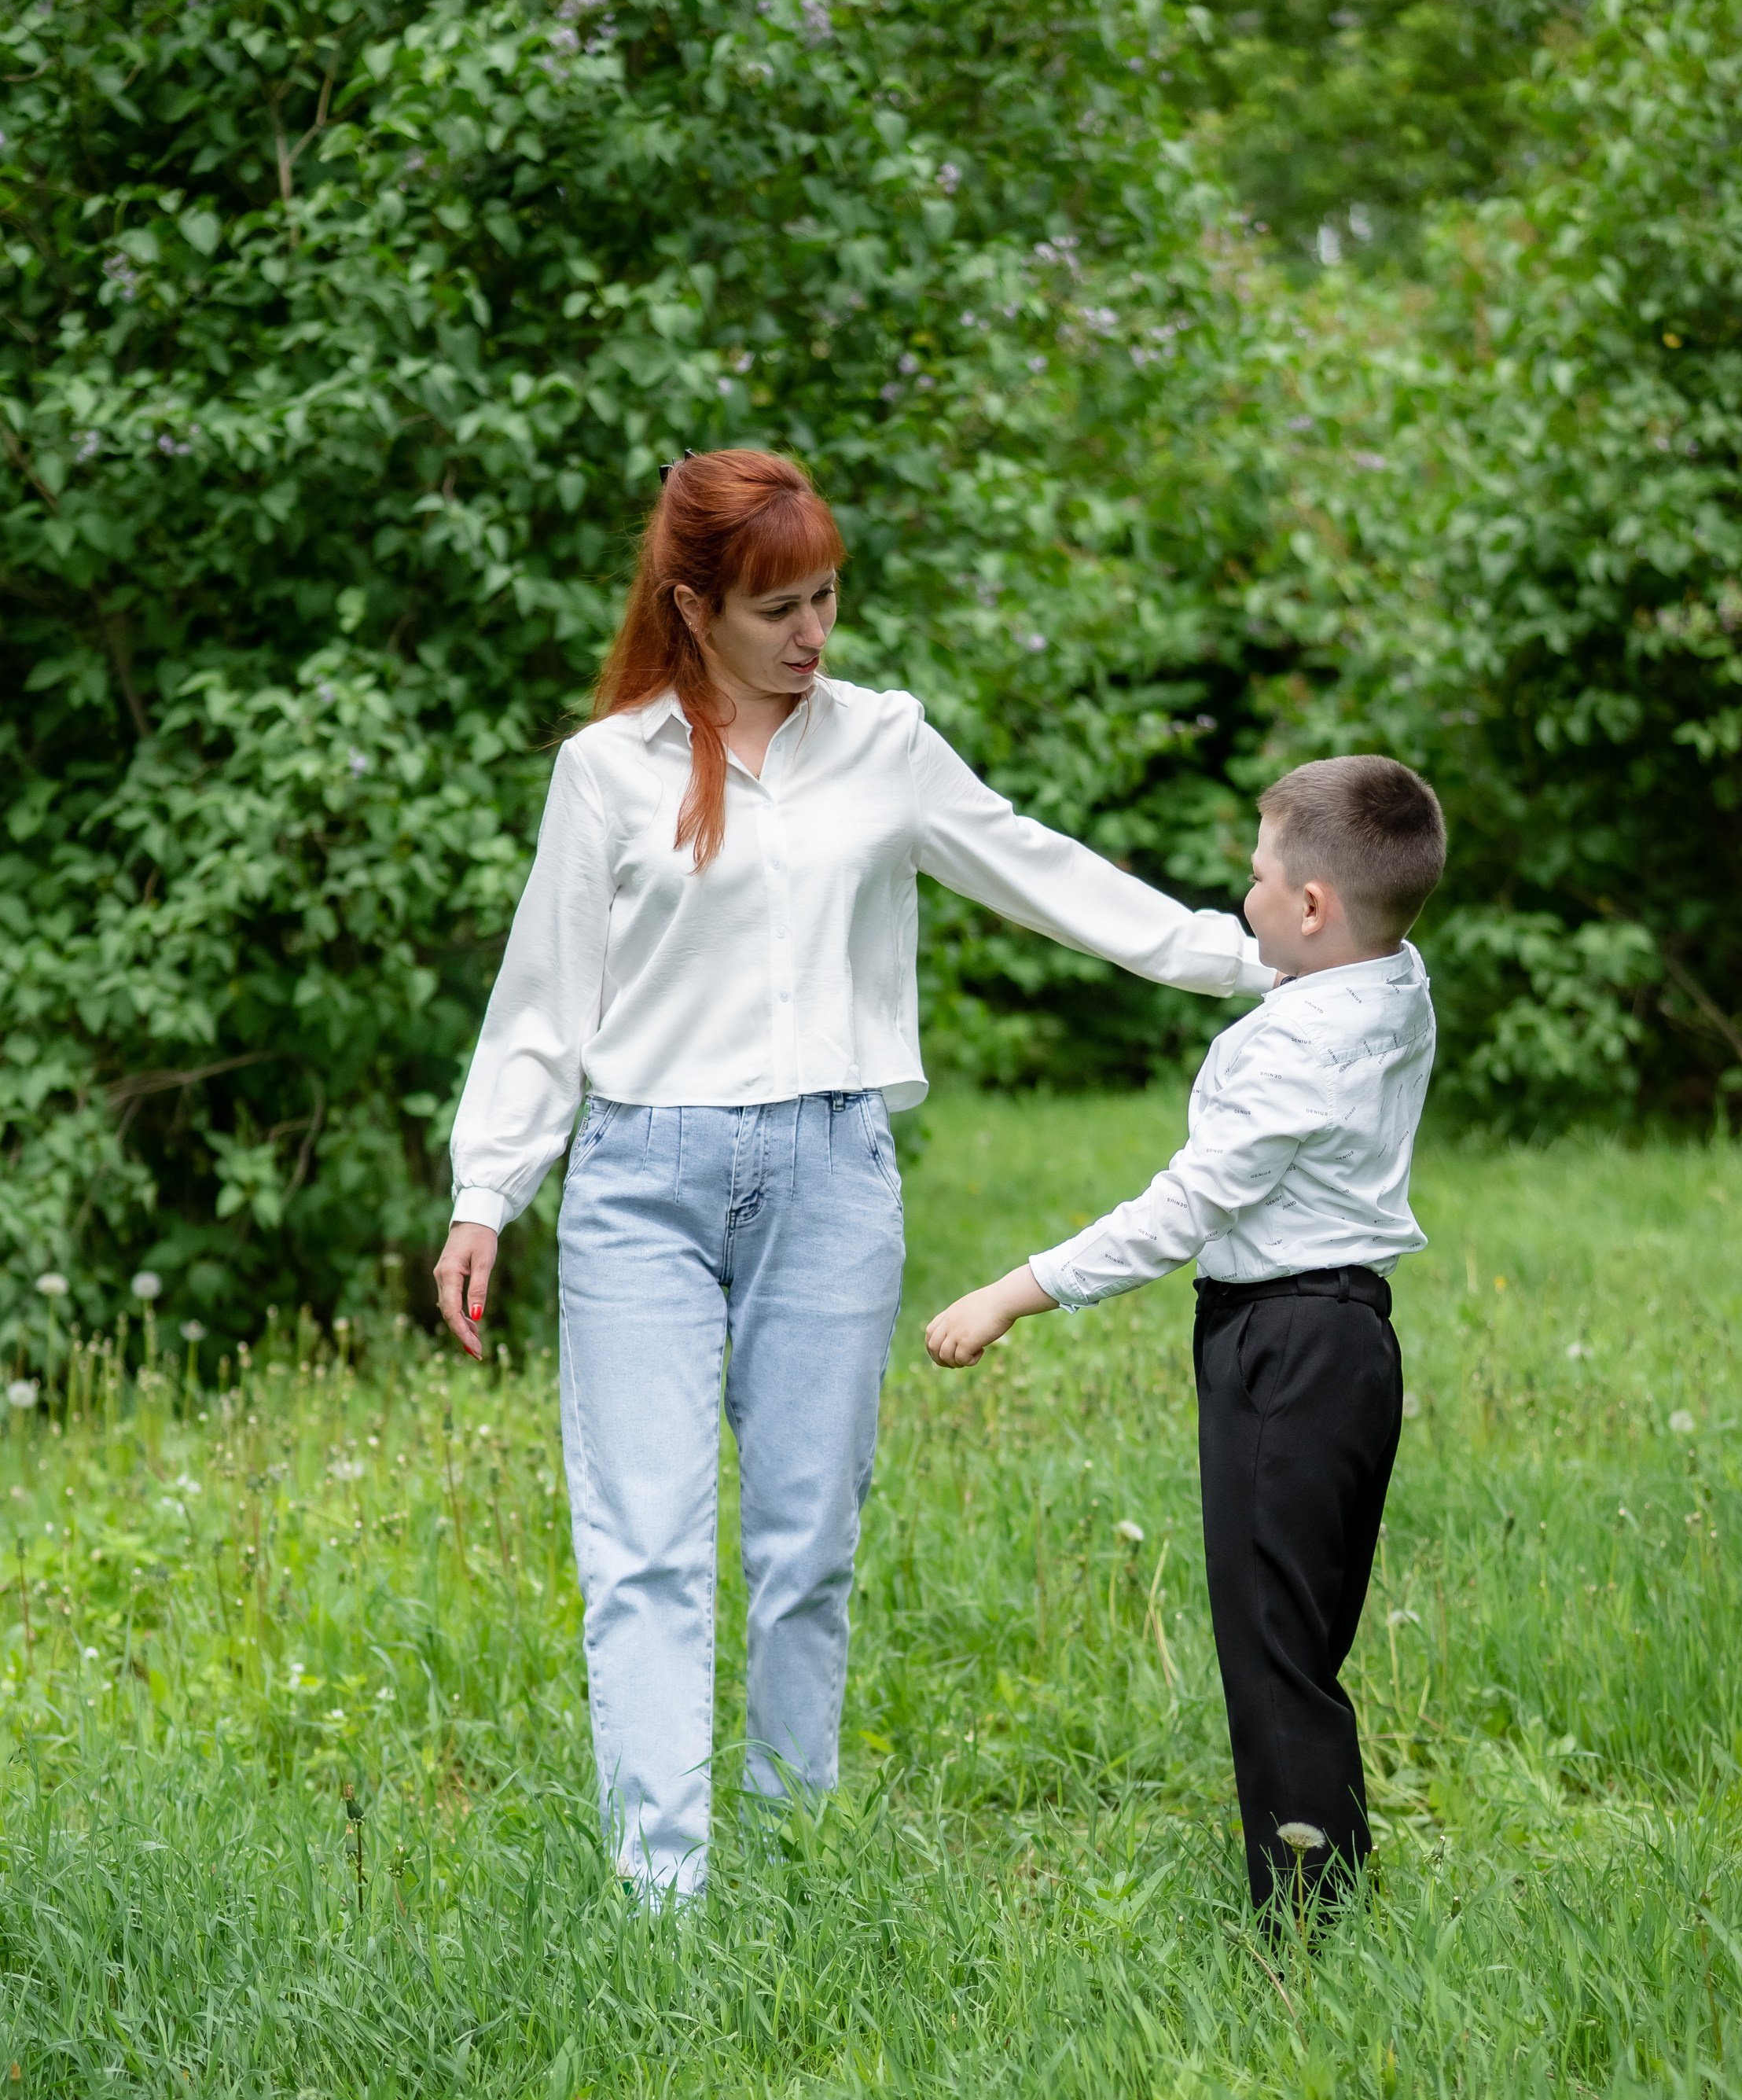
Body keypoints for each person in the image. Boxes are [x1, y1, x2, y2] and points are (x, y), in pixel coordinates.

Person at [436, 447, 1273, 1903]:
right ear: (694, 607)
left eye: (826, 599)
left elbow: (1049, 874)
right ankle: (659, 1906)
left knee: (807, 1542)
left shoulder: (886, 745)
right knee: (644, 1552)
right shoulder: (608, 769)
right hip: (641, 1181)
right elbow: (542, 1000)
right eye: (777, 609)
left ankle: (798, 1855)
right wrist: (486, 1189)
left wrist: (1256, 961)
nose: (812, 634)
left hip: (831, 1175)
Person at [925, 755, 1445, 1920]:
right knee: (1301, 1631)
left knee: (1271, 1647)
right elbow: (1318, 943)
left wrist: (1016, 1291)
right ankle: (1327, 1882)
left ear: (1311, 908)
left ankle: (1307, 1920)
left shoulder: (1291, 1047)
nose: (1245, 897)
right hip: (1358, 1340)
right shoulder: (1397, 980)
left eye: (1258, 877)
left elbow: (1184, 1208)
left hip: (1283, 1347)